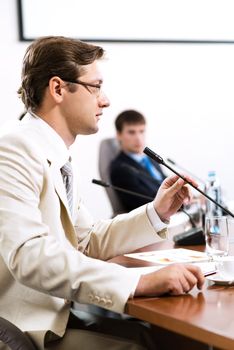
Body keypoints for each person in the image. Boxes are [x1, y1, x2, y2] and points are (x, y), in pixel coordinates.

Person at [0, 36, 204, 350]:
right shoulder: (14, 150)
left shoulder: (58, 156)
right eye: (95, 87)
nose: (105, 100)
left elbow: (86, 240)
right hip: (28, 327)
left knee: (176, 339)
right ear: (58, 89)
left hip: (61, 314)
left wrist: (157, 211)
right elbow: (30, 258)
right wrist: (138, 281)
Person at [110, 110, 167, 212]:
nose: (138, 138)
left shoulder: (150, 159)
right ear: (119, 135)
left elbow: (165, 183)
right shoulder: (120, 169)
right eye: (131, 132)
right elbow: (148, 204)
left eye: (141, 131)